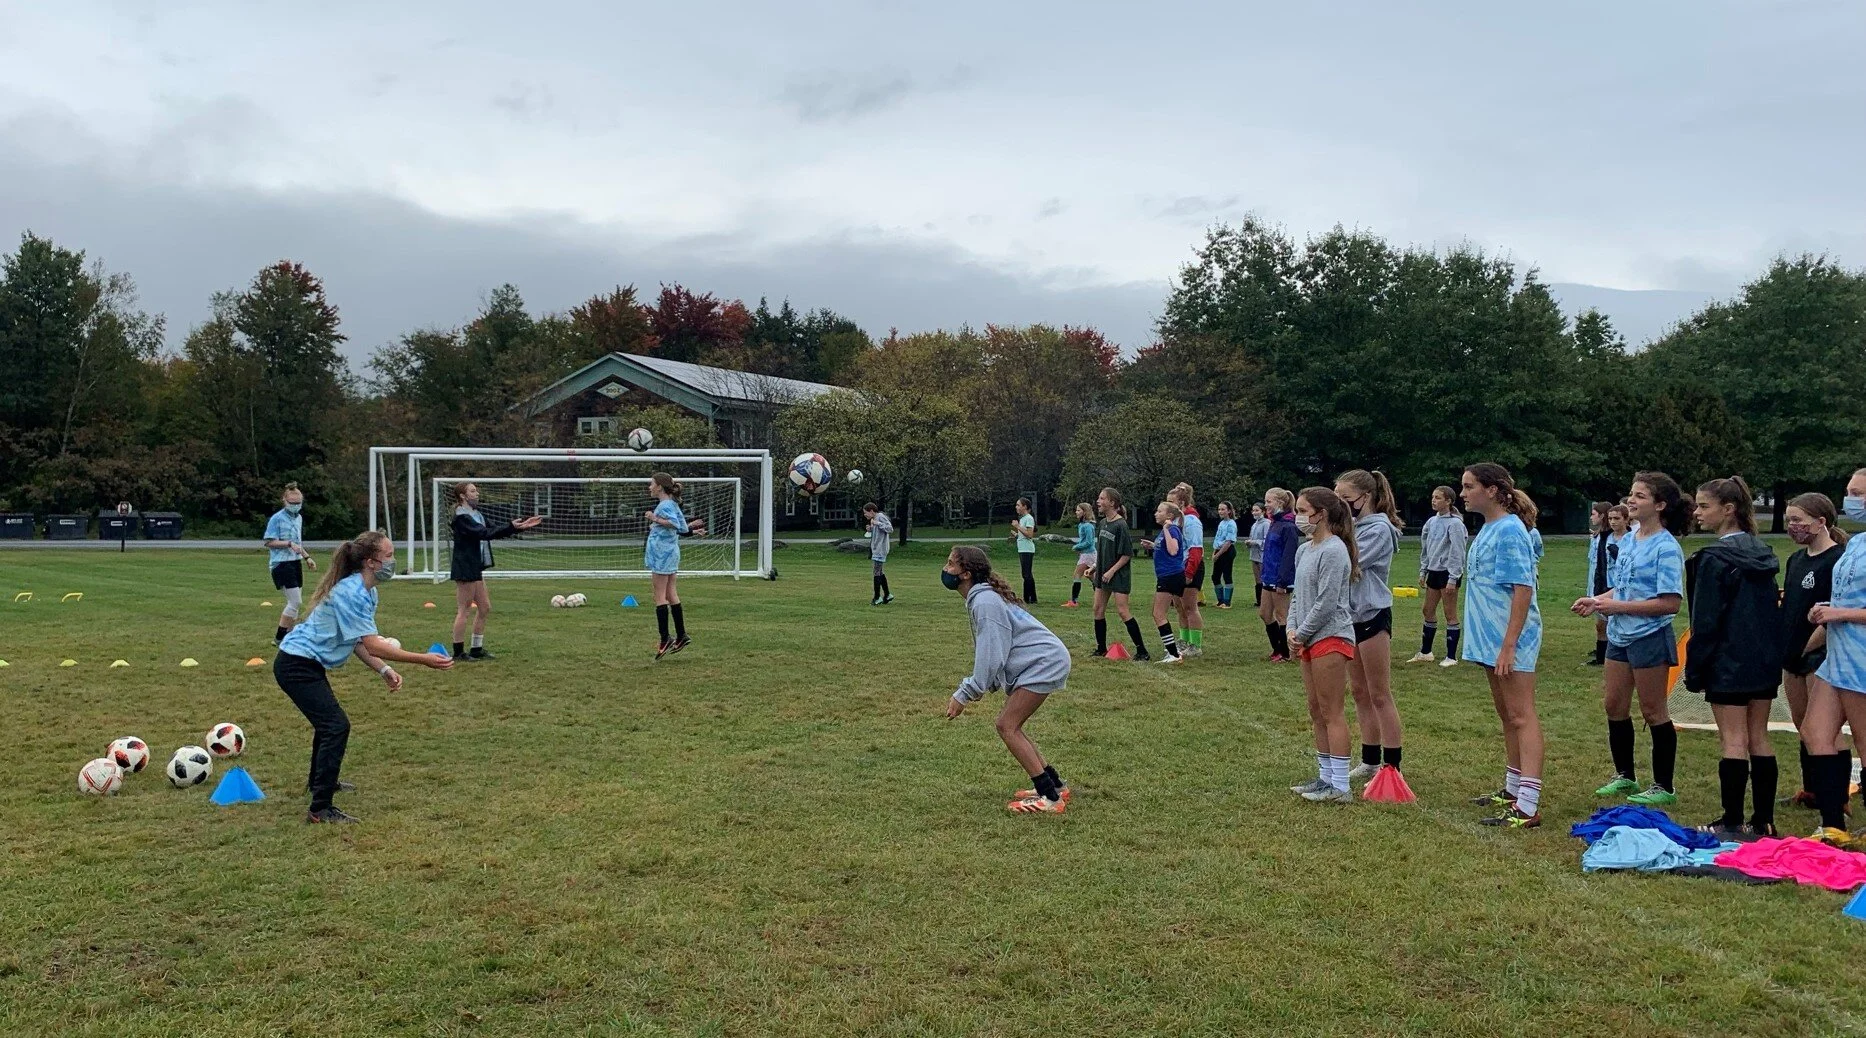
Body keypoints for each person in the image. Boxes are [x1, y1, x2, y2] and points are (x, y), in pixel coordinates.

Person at [275, 531, 453, 823]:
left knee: (328, 724)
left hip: (305, 664)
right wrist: (423, 659)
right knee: (335, 726)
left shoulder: (368, 592)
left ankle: (321, 784)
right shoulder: (351, 592)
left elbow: (358, 642)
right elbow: (372, 643)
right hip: (295, 665)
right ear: (371, 562)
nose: (393, 561)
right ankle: (320, 809)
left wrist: (383, 669)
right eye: (390, 556)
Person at [1574, 471, 1691, 806]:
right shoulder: (1630, 537)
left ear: (1660, 504)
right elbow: (1623, 587)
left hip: (1649, 636)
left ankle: (1663, 786)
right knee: (1614, 705)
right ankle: (1625, 775)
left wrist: (1616, 605)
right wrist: (1597, 601)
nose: (1631, 500)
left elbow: (1670, 602)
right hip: (1620, 636)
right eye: (1631, 494)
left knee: (1653, 710)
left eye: (1640, 495)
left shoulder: (1666, 547)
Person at [1684, 476, 1782, 838]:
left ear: (1729, 510)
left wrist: (1696, 669)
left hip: (1726, 662)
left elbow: (1706, 621)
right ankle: (1764, 820)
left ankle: (1731, 820)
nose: (1697, 513)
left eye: (1704, 506)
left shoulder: (1712, 559)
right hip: (1763, 662)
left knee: (1734, 739)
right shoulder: (1764, 553)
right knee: (1759, 736)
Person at [943, 545, 1073, 814]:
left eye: (950, 565)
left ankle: (1050, 799)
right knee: (1013, 725)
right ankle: (1055, 785)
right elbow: (995, 653)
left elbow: (991, 655)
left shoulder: (985, 602)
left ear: (966, 574)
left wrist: (965, 694)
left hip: (1044, 663)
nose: (945, 570)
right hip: (1045, 661)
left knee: (1007, 725)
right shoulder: (983, 599)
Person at [1459, 464, 1547, 828]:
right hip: (1489, 639)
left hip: (1510, 639)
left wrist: (1509, 645)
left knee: (1522, 715)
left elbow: (1523, 589)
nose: (1462, 493)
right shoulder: (1489, 528)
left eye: (1468, 486)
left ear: (1492, 490)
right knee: (1507, 715)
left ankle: (1528, 805)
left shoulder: (1510, 529)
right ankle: (1513, 790)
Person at [1779, 492, 1847, 830]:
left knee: (1825, 731)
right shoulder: (1796, 560)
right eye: (1789, 520)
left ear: (1821, 522)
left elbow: (1833, 613)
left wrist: (1808, 647)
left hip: (1819, 652)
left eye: (1798, 520)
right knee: (1802, 724)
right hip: (1792, 652)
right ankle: (1812, 789)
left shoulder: (1837, 559)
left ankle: (1837, 798)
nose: (1792, 526)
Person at [1286, 487, 1359, 804]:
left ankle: (1341, 786)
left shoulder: (1334, 550)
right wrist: (1291, 628)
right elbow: (1298, 596)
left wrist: (1301, 632)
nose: (1298, 517)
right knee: (1316, 709)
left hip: (1331, 635)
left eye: (1303, 510)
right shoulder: (1305, 550)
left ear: (1321, 514)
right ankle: (1325, 777)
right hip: (1308, 636)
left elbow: (1327, 602)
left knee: (1332, 711)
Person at [1805, 469, 1866, 842]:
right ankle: (1833, 825)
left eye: (1857, 492)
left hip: (1862, 659)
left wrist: (1839, 613)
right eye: (1849, 492)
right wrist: (1830, 607)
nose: (1850, 499)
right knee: (1815, 732)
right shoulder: (1857, 543)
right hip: (1838, 655)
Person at [1337, 469, 1403, 783]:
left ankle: (1392, 765)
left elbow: (1350, 564)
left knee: (1379, 694)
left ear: (1366, 497)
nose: (1341, 504)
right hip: (1350, 616)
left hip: (1372, 614)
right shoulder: (1352, 527)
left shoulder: (1379, 529)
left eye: (1346, 499)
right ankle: (1370, 759)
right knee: (1360, 692)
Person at [448, 483, 542, 661]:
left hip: (476, 567)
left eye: (476, 490)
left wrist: (518, 527)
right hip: (465, 567)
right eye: (472, 491)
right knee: (464, 609)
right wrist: (511, 527)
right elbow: (482, 533)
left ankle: (476, 649)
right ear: (462, 496)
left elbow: (492, 530)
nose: (477, 493)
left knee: (484, 607)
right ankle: (458, 652)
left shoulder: (477, 514)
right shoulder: (461, 517)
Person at [1091, 487, 1150, 660]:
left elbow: (1126, 554)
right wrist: (1095, 566)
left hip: (1118, 574)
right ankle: (1101, 648)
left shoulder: (1120, 525)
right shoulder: (1103, 523)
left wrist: (1111, 571)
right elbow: (1103, 551)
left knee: (1123, 611)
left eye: (1102, 498)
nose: (1098, 501)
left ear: (1112, 503)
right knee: (1097, 609)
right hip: (1103, 574)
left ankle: (1142, 651)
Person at [1410, 485, 1465, 667]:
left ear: (1448, 501)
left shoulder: (1455, 524)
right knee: (1428, 610)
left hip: (1448, 572)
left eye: (1438, 498)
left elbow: (1458, 551)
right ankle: (1426, 652)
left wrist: (1453, 577)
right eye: (1433, 497)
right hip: (1433, 571)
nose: (1434, 500)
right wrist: (1423, 570)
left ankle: (1451, 656)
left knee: (1450, 613)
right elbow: (1426, 549)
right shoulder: (1431, 522)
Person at [645, 472, 692, 659]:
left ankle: (665, 638)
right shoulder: (672, 504)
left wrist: (653, 519)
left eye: (651, 484)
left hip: (661, 554)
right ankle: (681, 635)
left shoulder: (664, 505)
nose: (649, 487)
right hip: (671, 553)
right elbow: (684, 528)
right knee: (671, 594)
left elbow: (673, 523)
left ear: (659, 487)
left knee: (659, 596)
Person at [263, 482, 317, 644]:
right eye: (292, 503)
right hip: (281, 564)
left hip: (295, 563)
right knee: (295, 601)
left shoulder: (298, 518)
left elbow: (298, 543)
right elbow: (269, 542)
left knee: (295, 603)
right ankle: (280, 637)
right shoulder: (277, 519)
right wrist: (287, 544)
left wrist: (307, 557)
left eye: (298, 503)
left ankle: (290, 635)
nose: (295, 506)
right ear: (284, 501)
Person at [1139, 500, 1187, 664]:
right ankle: (1173, 651)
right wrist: (1153, 546)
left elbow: (1173, 551)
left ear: (1169, 516)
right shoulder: (1167, 531)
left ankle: (1173, 654)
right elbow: (1167, 548)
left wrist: (1166, 529)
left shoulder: (1171, 529)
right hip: (1167, 575)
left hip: (1170, 575)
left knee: (1158, 613)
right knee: (1162, 613)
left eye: (1160, 511)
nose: (1156, 514)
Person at [1259, 489, 1300, 662]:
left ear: (1280, 503)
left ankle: (1286, 652)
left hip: (1280, 579)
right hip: (1268, 576)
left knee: (1282, 615)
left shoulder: (1289, 527)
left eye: (1269, 502)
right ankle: (1277, 648)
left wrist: (1282, 581)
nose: (1266, 505)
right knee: (1264, 613)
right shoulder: (1273, 523)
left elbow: (1288, 556)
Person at [1170, 483, 1206, 657]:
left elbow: (1195, 550)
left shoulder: (1191, 521)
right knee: (1179, 606)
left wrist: (1189, 572)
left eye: (1171, 502)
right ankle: (1184, 640)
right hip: (1177, 569)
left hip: (1190, 568)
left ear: (1182, 502)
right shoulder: (1177, 520)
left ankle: (1195, 645)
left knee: (1190, 606)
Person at [1583, 501, 1615, 666]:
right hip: (1597, 583)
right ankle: (1602, 653)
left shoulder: (1613, 538)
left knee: (1604, 623)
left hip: (1608, 584)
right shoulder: (1597, 536)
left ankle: (1605, 655)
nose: (1591, 517)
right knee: (1601, 622)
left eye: (1594, 514)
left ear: (1602, 516)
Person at [1009, 497, 1039, 605]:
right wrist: (1016, 535)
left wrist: (1018, 526)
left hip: (1027, 549)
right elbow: (1023, 535)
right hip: (1022, 548)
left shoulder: (1028, 518)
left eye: (1018, 505)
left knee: (1026, 574)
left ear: (1025, 507)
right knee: (1027, 574)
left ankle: (1028, 598)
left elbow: (1030, 535)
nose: (1016, 507)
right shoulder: (1022, 519)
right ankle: (1032, 598)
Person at [1066, 502, 1096, 608]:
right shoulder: (1081, 525)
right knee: (1092, 576)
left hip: (1088, 554)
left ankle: (1074, 601)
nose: (1076, 512)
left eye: (1079, 510)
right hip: (1086, 554)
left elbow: (1089, 542)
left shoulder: (1088, 526)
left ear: (1085, 512)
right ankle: (1100, 597)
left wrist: (1076, 547)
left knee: (1077, 575)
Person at [864, 502, 894, 605]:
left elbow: (890, 529)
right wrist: (871, 529)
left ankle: (877, 597)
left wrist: (878, 524)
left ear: (871, 511)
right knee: (880, 572)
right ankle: (887, 595)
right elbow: (879, 531)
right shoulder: (874, 519)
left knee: (876, 572)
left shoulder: (880, 517)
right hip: (876, 549)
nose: (865, 515)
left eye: (866, 513)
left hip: (880, 549)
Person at [1211, 501, 1240, 610]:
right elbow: (1217, 538)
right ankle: (1220, 600)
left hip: (1227, 551)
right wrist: (1214, 552)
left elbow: (1228, 542)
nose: (1220, 511)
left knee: (1227, 575)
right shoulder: (1221, 523)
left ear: (1228, 511)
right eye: (1219, 509)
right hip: (1219, 550)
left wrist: (1218, 554)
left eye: (1223, 509)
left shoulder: (1231, 524)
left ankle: (1227, 602)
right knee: (1215, 576)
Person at [1247, 503, 1271, 608]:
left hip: (1263, 555)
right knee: (1257, 579)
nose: (1254, 513)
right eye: (1253, 510)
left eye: (1257, 510)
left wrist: (1255, 542)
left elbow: (1267, 540)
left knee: (1264, 578)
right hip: (1254, 555)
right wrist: (1249, 543)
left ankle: (1265, 601)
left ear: (1263, 511)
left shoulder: (1267, 523)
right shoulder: (1254, 524)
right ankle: (1259, 601)